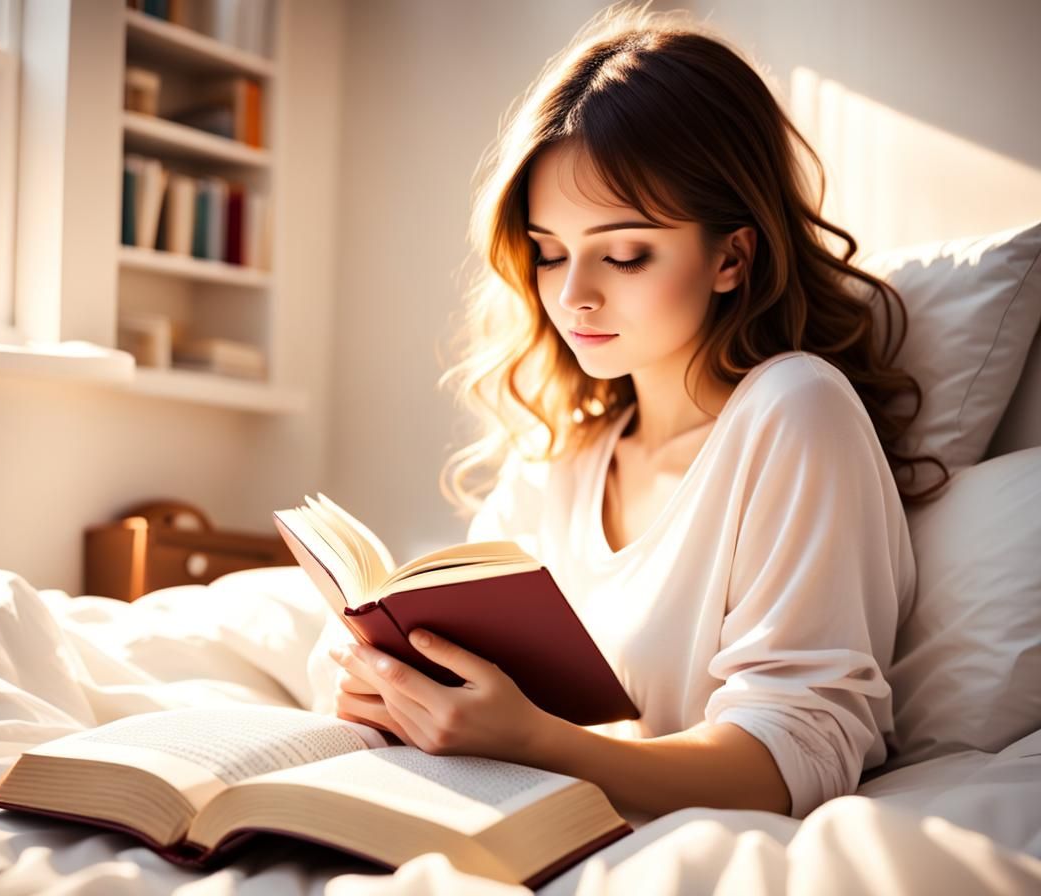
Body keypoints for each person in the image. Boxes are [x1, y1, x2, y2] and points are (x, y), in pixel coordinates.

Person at [305, 4, 947, 825]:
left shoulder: (795, 411)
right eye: (549, 252)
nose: (573, 296)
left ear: (730, 257)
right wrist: (387, 685)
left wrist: (534, 741)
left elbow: (800, 749)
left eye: (625, 253)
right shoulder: (564, 458)